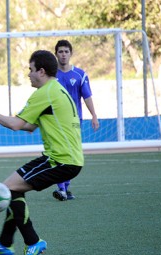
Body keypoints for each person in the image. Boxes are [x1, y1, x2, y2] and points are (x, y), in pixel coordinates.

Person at [0, 50, 84, 255]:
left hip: (61, 160)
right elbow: (30, 126)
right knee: (12, 189)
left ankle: (31, 242)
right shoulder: (55, 90)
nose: (28, 74)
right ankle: (5, 243)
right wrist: (4, 118)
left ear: (41, 71)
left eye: (30, 70)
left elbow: (16, 124)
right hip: (63, 158)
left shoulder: (45, 92)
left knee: (9, 189)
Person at [52, 39, 99, 201]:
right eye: (60, 52)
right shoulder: (51, 75)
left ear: (71, 54)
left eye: (66, 51)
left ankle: (65, 187)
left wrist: (94, 115)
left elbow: (87, 96)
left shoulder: (80, 74)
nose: (63, 55)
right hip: (55, 122)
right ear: (56, 54)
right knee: (59, 154)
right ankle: (62, 189)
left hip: (74, 122)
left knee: (72, 156)